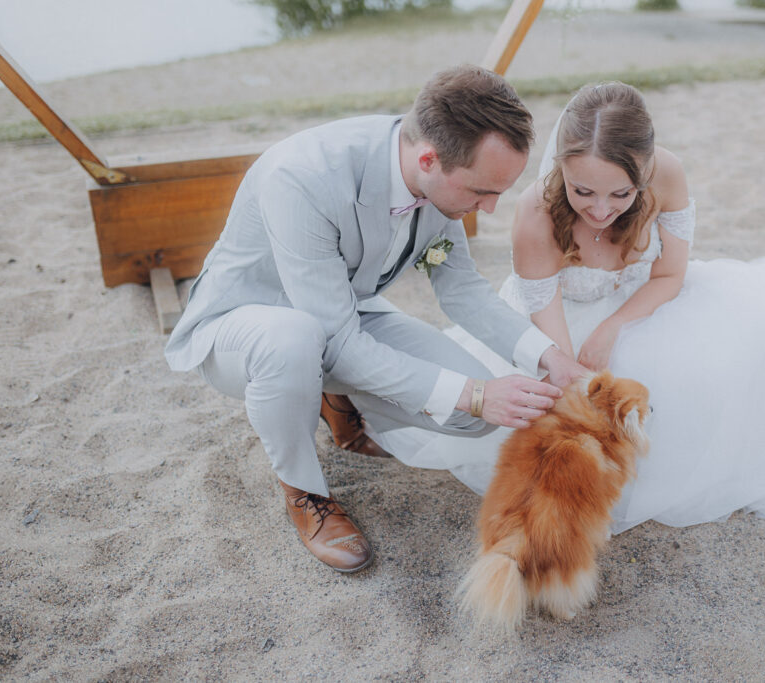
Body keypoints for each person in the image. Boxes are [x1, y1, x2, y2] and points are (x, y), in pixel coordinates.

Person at [387, 81, 765, 533]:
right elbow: (546, 322)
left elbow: (671, 275)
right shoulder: (533, 214)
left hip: (650, 303)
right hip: (556, 321)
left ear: (644, 176)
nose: (600, 211)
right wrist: (576, 369)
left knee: (709, 379)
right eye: (582, 192)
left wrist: (613, 327)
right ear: (561, 172)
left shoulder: (670, 176)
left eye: (619, 194)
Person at [165, 65, 586, 573]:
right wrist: (475, 391)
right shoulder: (301, 176)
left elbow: (463, 291)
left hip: (344, 311)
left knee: (466, 418)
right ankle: (304, 493)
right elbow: (335, 341)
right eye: (482, 192)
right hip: (247, 326)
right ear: (429, 159)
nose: (491, 209)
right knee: (297, 342)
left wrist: (550, 358)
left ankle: (329, 396)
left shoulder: (439, 176)